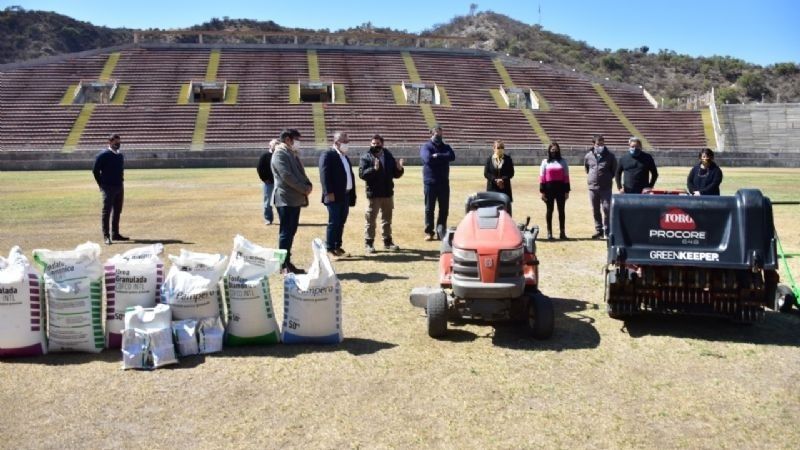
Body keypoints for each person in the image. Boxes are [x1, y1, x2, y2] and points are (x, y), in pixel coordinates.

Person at [271, 128, 312, 274]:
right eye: (297, 139)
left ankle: (287, 262)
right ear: (288, 139)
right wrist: (303, 188)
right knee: (285, 233)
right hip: (285, 199)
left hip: (294, 199)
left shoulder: (290, 153)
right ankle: (282, 265)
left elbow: (299, 173)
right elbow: (286, 176)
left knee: (290, 232)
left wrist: (308, 184)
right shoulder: (280, 153)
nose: (298, 143)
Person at [359, 134, 404, 254]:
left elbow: (395, 174)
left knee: (387, 220)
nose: (375, 146)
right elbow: (362, 175)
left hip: (387, 193)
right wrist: (374, 169)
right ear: (370, 144)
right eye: (373, 143)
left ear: (382, 144)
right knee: (370, 220)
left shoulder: (388, 155)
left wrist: (399, 169)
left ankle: (387, 242)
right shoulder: (366, 157)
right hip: (373, 194)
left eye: (378, 143)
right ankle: (369, 243)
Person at [319, 131, 357, 257]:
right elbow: (324, 175)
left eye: (348, 141)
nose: (347, 144)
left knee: (341, 222)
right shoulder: (328, 155)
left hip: (345, 195)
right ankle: (329, 248)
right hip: (333, 196)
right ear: (336, 142)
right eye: (344, 141)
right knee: (334, 222)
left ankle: (337, 246)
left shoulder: (345, 157)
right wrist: (328, 192)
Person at [420, 124, 455, 241]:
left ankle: (441, 231)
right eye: (436, 133)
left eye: (440, 134)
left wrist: (437, 156)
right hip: (430, 182)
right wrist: (443, 158)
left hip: (444, 182)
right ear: (431, 134)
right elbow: (428, 159)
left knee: (444, 208)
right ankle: (429, 232)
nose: (439, 136)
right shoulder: (426, 147)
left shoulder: (446, 146)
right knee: (429, 208)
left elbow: (452, 156)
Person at [92, 133, 129, 245]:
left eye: (119, 142)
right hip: (108, 187)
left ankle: (115, 234)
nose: (118, 144)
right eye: (115, 142)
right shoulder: (103, 155)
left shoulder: (120, 155)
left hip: (119, 186)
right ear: (110, 142)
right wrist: (101, 185)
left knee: (117, 211)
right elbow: (95, 171)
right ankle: (106, 236)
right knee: (107, 211)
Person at [584, 134, 617, 239]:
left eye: (602, 144)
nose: (600, 146)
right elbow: (587, 169)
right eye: (598, 144)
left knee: (607, 208)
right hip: (593, 187)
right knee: (595, 209)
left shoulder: (610, 156)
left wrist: (606, 178)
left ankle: (607, 230)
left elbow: (614, 170)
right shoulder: (588, 156)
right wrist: (593, 178)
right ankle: (599, 230)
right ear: (594, 144)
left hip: (605, 187)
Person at [539, 141, 571, 240]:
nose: (554, 151)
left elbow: (566, 177)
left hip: (561, 189)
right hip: (549, 190)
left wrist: (567, 191)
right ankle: (549, 233)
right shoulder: (545, 162)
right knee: (549, 210)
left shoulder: (563, 162)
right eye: (552, 150)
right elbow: (542, 177)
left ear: (558, 150)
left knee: (561, 211)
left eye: (556, 150)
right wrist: (542, 192)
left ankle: (562, 232)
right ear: (549, 150)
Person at [483, 140, 515, 216]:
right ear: (494, 148)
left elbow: (511, 173)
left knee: (505, 214)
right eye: (498, 147)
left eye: (502, 147)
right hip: (492, 189)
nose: (500, 149)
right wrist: (495, 180)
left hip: (505, 189)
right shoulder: (489, 159)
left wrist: (502, 179)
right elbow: (486, 173)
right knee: (492, 214)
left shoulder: (508, 159)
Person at [257, 138, 279, 225]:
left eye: (277, 144)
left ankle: (283, 219)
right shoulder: (265, 156)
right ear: (270, 146)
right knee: (267, 202)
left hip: (279, 183)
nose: (276, 145)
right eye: (274, 144)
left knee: (280, 202)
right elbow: (260, 168)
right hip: (269, 183)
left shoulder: (279, 155)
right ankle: (268, 219)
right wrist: (264, 179)